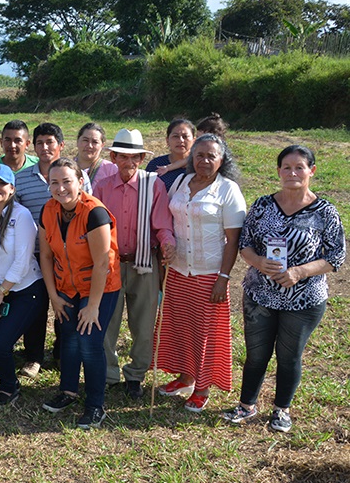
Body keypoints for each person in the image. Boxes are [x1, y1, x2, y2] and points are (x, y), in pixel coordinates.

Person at [224, 146, 345, 432]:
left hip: (304, 300)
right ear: (278, 171)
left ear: (311, 171)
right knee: (256, 353)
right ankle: (246, 405)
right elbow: (245, 244)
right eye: (286, 167)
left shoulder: (325, 211)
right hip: (260, 295)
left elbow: (336, 256)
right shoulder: (264, 205)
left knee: (289, 355)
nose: (292, 173)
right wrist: (258, 262)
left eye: (299, 167)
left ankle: (281, 410)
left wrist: (299, 272)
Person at [156, 134, 246, 412]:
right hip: (179, 270)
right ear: (191, 158)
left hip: (209, 274)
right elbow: (167, 220)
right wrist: (167, 244)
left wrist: (224, 277)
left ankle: (203, 388)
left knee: (204, 333)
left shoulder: (228, 189)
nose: (205, 161)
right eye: (199, 155)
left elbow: (233, 240)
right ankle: (185, 378)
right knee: (181, 327)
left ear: (222, 160)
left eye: (211, 156)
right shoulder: (182, 183)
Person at [93, 129, 175, 400]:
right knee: (108, 322)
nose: (129, 163)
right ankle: (108, 374)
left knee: (144, 323)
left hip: (145, 263)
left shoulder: (154, 185)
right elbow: (94, 224)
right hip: (112, 263)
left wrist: (167, 243)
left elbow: (162, 224)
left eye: (135, 157)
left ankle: (136, 375)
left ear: (141, 158)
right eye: (123, 157)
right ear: (114, 157)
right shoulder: (103, 186)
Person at [39, 158, 121, 429]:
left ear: (80, 182)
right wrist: (53, 296)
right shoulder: (48, 211)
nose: (61, 188)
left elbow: (102, 263)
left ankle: (96, 406)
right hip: (66, 287)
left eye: (67, 181)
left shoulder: (94, 212)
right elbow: (47, 257)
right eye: (54, 182)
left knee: (89, 342)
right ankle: (68, 391)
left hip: (99, 287)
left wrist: (93, 306)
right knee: (69, 339)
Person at [13, 123, 91, 378]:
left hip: (68, 255)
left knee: (65, 305)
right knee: (36, 307)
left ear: (60, 145)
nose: (44, 147)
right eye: (39, 143)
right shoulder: (22, 178)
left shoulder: (75, 175)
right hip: (34, 254)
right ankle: (34, 357)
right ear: (32, 146)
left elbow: (86, 211)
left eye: (50, 142)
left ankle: (61, 353)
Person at [0, 163, 46, 407]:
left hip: (25, 291)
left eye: (1, 184)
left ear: (12, 189)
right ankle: (7, 379)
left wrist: (0, 294)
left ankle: (9, 386)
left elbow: (22, 261)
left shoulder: (21, 216)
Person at [146, 119, 195, 191]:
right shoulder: (156, 165)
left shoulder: (198, 165)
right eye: (175, 136)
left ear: (194, 141)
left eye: (185, 136)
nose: (181, 140)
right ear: (167, 140)